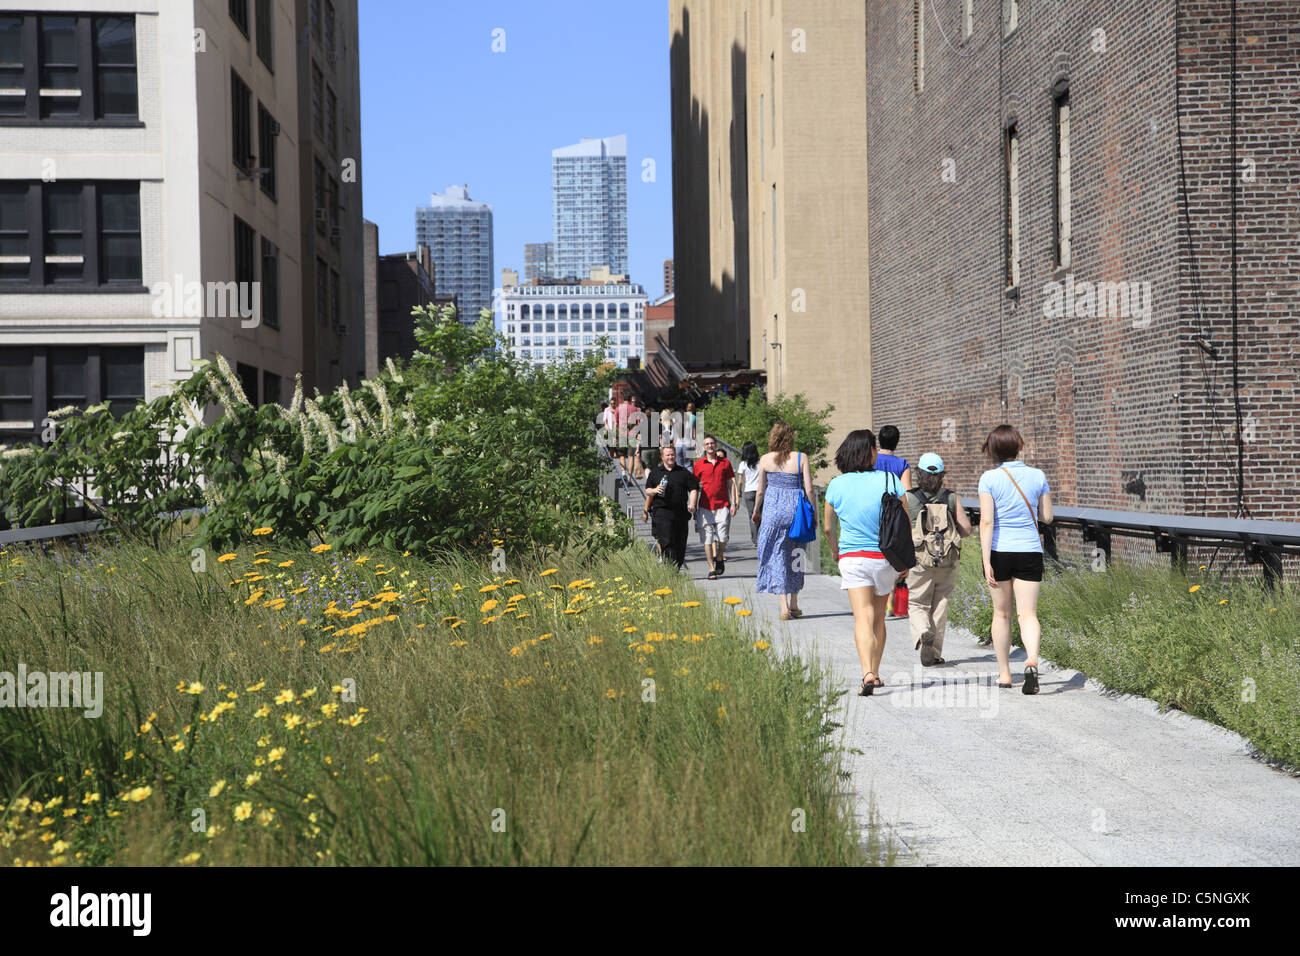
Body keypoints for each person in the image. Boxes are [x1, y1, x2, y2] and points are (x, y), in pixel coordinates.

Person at [977, 424, 1054, 694]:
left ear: (993, 450)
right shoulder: (1038, 475)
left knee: (1001, 614)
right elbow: (1048, 517)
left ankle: (1005, 673)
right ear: (1019, 446)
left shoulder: (988, 479)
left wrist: (986, 561)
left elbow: (986, 522)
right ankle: (1032, 659)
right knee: (1028, 614)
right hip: (1030, 550)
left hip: (999, 551)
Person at [824, 429, 899, 696]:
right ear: (868, 452)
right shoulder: (890, 480)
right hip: (884, 558)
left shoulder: (836, 485)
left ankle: (866, 672)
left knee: (862, 617)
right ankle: (875, 673)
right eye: (874, 448)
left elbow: (828, 529)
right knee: (879, 617)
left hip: (853, 558)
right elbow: (903, 522)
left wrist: (835, 552)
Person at [903, 453, 972, 667]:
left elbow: (902, 530)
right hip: (947, 559)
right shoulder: (951, 497)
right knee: (940, 602)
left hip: (919, 559)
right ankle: (934, 653)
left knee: (917, 602)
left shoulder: (909, 498)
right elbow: (966, 529)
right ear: (941, 475)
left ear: (919, 474)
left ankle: (923, 632)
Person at [753, 420, 815, 619]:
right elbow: (810, 489)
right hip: (795, 511)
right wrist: (813, 512)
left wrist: (756, 511)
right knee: (797, 553)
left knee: (776, 554)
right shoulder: (801, 458)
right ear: (791, 437)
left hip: (773, 510)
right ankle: (795, 602)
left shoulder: (765, 459)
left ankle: (783, 607)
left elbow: (760, 490)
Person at [875, 425, 913, 619]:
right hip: (894, 514)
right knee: (891, 552)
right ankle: (889, 601)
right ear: (897, 442)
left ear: (879, 440)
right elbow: (906, 491)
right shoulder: (901, 464)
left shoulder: (871, 461)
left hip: (875, 511)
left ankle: (877, 598)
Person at [643, 443, 700, 571]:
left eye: (672, 454)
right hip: (662, 512)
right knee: (666, 540)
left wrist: (692, 503)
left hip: (680, 513)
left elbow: (693, 488)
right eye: (667, 455)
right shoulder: (656, 473)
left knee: (680, 544)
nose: (670, 457)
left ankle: (676, 567)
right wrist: (655, 490)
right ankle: (670, 569)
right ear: (662, 457)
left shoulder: (683, 472)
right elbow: (647, 490)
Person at [692, 434, 738, 579]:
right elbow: (694, 487)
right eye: (707, 444)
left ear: (716, 445)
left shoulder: (725, 463)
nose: (710, 446)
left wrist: (734, 503)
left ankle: (719, 556)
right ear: (703, 447)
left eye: (712, 443)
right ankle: (711, 568)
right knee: (707, 539)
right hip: (705, 506)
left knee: (723, 537)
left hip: (723, 504)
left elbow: (731, 483)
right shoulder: (698, 465)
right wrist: (692, 504)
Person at [737, 441, 761, 545]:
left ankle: (755, 539)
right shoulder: (761, 463)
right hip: (760, 492)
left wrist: (739, 491)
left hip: (748, 492)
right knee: (761, 514)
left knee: (752, 515)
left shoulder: (742, 464)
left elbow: (740, 481)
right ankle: (762, 536)